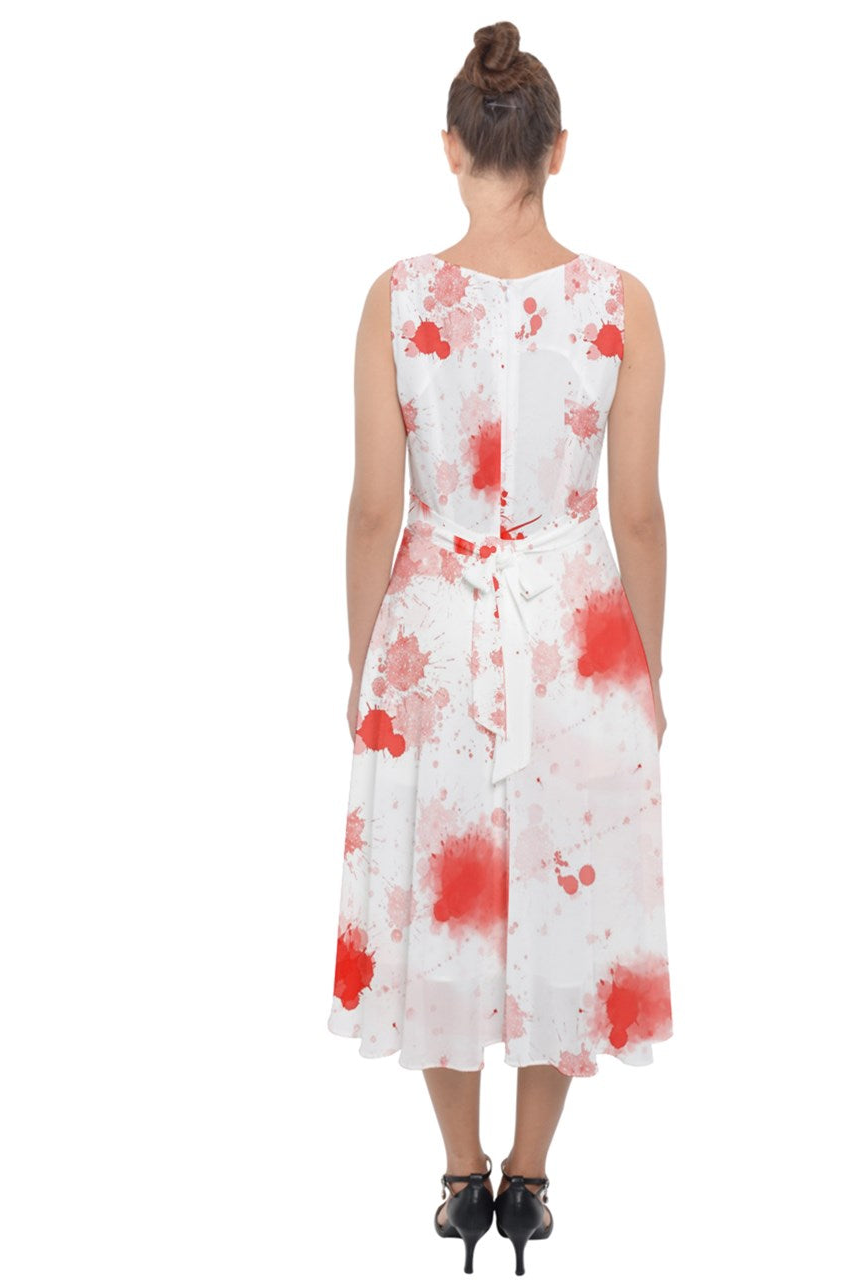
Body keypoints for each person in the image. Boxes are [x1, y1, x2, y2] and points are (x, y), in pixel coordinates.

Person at [327, 20, 673, 1274]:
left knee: (445, 889)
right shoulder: (618, 303)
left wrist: (360, 661)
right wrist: (648, 671)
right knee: (561, 896)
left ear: (450, 148)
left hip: (431, 631)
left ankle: (458, 1173)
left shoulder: (398, 298)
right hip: (577, 636)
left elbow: (376, 505)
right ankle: (529, 1177)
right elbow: (636, 511)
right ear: (557, 150)